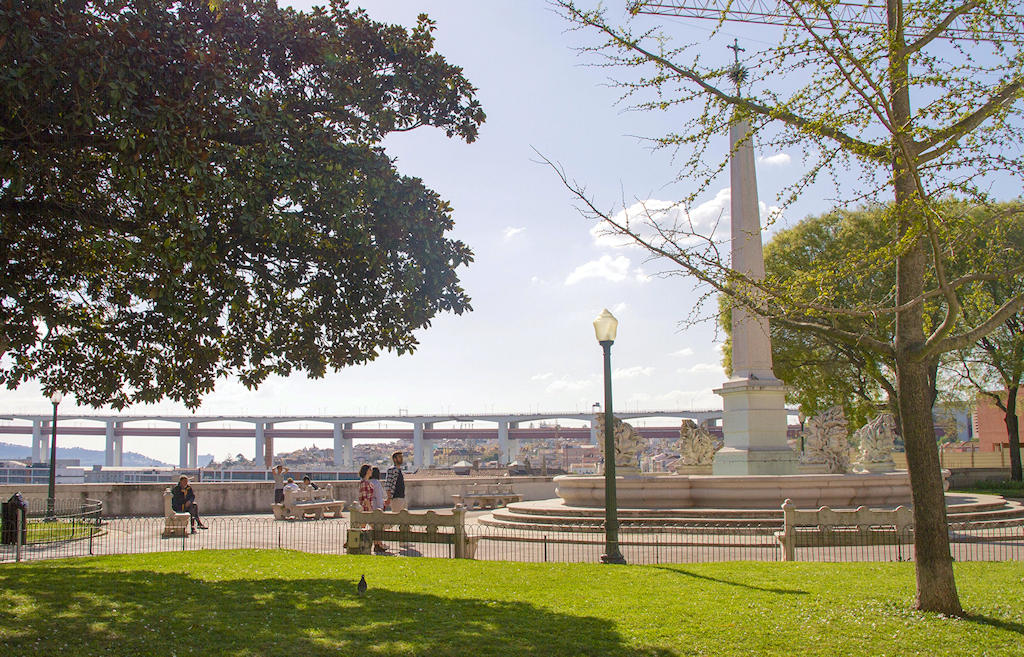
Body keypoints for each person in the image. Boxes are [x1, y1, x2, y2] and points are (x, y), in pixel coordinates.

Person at [369, 466, 388, 553]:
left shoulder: (368, 482)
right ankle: (378, 544)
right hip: (377, 507)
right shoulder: (377, 483)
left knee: (373, 527)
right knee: (379, 527)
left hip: (370, 507)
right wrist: (381, 508)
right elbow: (379, 497)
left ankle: (377, 544)